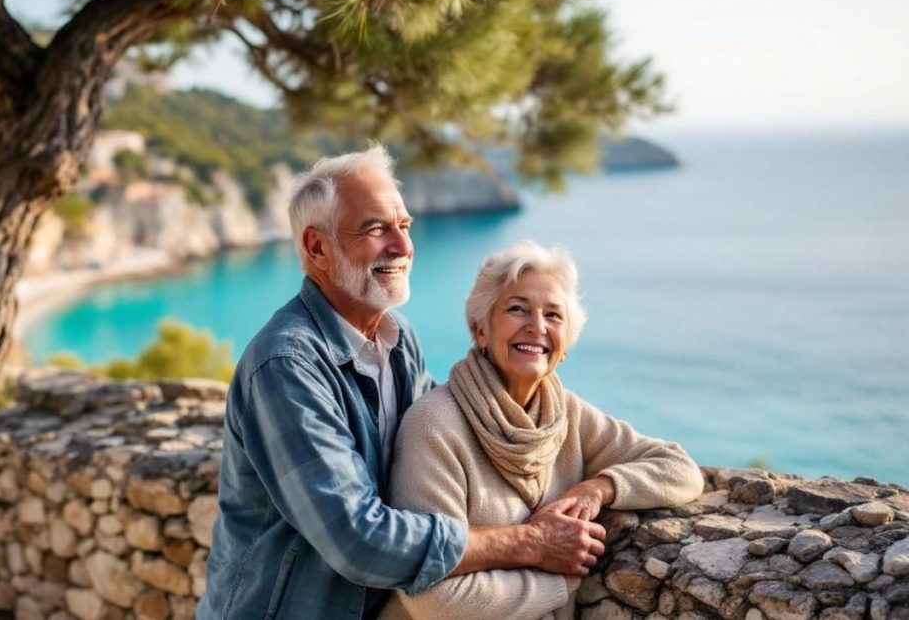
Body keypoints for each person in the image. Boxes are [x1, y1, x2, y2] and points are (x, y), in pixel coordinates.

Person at [197, 148, 610, 620]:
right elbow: (359, 541)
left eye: (405, 226)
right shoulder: (286, 365)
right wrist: (531, 543)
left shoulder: (398, 340)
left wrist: (594, 484)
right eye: (376, 229)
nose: (402, 246)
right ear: (317, 249)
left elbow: (458, 433)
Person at [381, 240, 705, 620]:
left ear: (566, 344)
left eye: (554, 316)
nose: (536, 327)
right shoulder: (435, 425)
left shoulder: (564, 414)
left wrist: (598, 489)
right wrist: (563, 576)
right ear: (480, 329)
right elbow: (435, 600)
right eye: (517, 309)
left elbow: (680, 469)